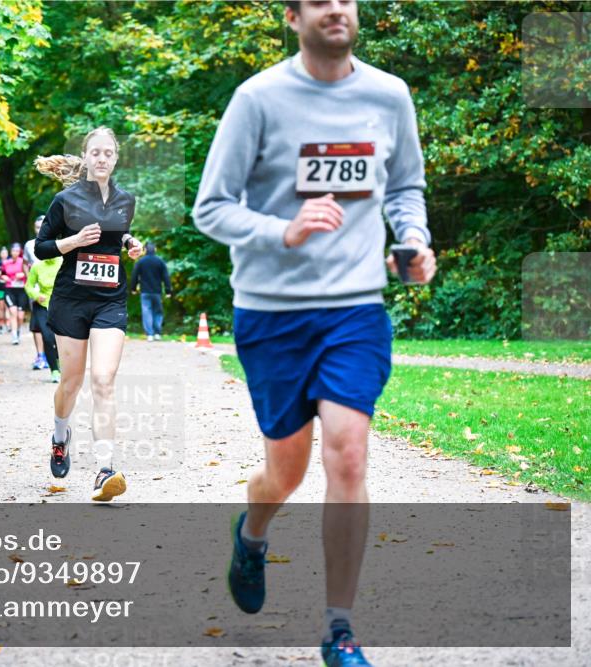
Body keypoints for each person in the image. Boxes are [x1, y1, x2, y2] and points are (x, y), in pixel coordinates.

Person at [192, 1, 437, 665]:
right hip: (271, 313)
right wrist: (284, 230)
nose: (337, 8)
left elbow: (406, 188)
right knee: (286, 470)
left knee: (349, 453)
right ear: (293, 16)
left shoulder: (389, 96)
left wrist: (414, 237)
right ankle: (252, 532)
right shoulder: (258, 99)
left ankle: (340, 627)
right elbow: (210, 207)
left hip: (355, 307)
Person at [34, 126, 143, 501]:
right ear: (86, 157)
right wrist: (73, 242)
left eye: (108, 153)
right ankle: (60, 434)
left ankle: (104, 469)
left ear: (115, 159)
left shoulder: (126, 199)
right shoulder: (66, 200)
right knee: (72, 382)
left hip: (110, 299)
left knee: (103, 380)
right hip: (71, 301)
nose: (102, 158)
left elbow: (120, 234)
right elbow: (41, 248)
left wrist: (131, 243)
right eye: (95, 152)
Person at [24, 253, 62, 383]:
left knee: (59, 338)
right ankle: (54, 370)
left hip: (60, 306)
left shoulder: (63, 262)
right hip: (42, 306)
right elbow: (28, 286)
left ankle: (59, 361)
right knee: (47, 337)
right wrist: (36, 295)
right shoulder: (37, 266)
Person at [129, 242, 173, 341]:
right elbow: (166, 277)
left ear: (145, 250)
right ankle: (157, 333)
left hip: (145, 292)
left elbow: (134, 276)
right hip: (157, 292)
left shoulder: (141, 261)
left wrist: (133, 288)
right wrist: (168, 291)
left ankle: (150, 334)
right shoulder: (160, 261)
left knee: (146, 311)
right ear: (155, 249)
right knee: (158, 311)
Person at [25, 216, 49, 369]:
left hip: (54, 290)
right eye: (36, 227)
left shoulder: (58, 242)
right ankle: (40, 356)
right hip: (37, 291)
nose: (39, 230)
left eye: (42, 226)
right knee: (37, 324)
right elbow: (25, 263)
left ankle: (52, 355)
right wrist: (30, 283)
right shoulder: (29, 245)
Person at [0, 242, 27, 345]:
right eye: (13, 251)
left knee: (20, 316)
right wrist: (4, 277)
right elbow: (1, 274)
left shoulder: (23, 262)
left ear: (20, 252)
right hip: (9, 289)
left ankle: (18, 330)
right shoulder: (6, 263)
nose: (15, 252)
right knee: (13, 312)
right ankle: (14, 335)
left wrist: (23, 274)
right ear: (10, 252)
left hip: (21, 291)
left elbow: (30, 273)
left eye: (17, 250)